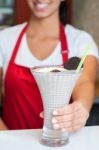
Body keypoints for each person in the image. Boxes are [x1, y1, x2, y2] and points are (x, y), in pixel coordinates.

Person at [0, 0, 99, 131]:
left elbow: (84, 82)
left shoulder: (80, 41)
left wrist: (81, 108)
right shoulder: (5, 39)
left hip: (62, 143)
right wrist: (9, 140)